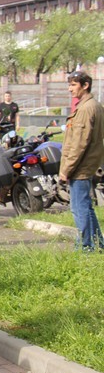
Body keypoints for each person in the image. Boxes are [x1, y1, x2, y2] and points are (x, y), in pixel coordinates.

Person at [60, 71, 104, 251]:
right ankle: (99, 244)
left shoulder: (86, 108)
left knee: (79, 209)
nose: (70, 89)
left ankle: (86, 247)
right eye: (69, 85)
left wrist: (66, 170)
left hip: (80, 167)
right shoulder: (94, 105)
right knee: (86, 207)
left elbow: (79, 144)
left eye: (73, 85)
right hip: (87, 164)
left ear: (85, 85)